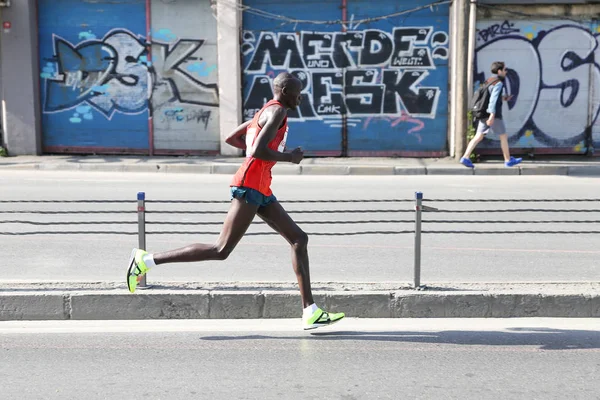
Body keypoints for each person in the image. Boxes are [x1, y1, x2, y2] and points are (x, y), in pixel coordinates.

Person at [126, 72, 345, 330]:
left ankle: (310, 311)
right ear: (285, 90)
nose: (301, 96)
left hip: (260, 187)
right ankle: (145, 261)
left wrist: (262, 149)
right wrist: (289, 157)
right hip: (251, 186)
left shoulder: (262, 113)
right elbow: (257, 150)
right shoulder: (277, 113)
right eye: (297, 91)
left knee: (299, 239)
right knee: (221, 250)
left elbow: (233, 139)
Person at [460, 61, 522, 168]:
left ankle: (465, 157)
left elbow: (490, 96)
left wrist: (504, 98)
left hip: (484, 113)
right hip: (493, 115)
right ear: (499, 71)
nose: (505, 72)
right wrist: (492, 115)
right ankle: (507, 160)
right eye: (504, 70)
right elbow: (492, 100)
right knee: (503, 136)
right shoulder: (498, 83)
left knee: (478, 136)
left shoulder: (488, 81)